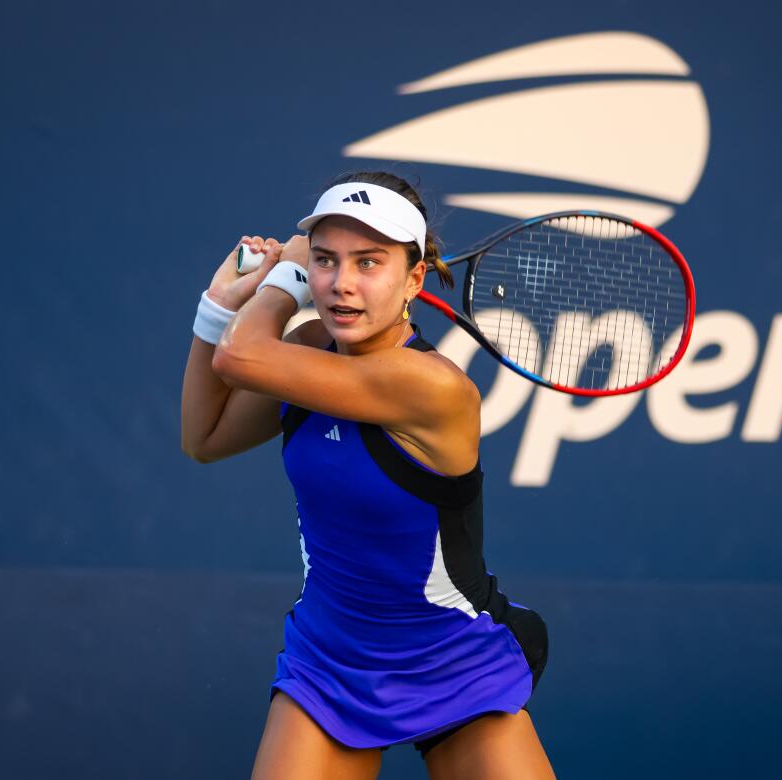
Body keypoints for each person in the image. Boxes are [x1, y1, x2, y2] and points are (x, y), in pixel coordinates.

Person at [181, 171, 553, 779]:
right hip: (329, 663)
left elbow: (241, 356)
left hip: (452, 663)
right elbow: (205, 437)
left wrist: (288, 273)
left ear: (413, 279)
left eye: (368, 262)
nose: (341, 284)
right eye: (326, 260)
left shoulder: (431, 387)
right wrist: (219, 305)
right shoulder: (304, 350)